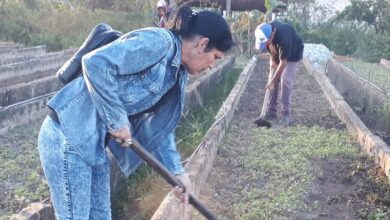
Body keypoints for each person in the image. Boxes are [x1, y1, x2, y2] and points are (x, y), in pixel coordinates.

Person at [38, 6, 233, 219]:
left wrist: (177, 172)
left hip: (93, 144)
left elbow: (160, 129)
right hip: (68, 134)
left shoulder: (177, 73)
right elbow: (96, 63)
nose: (212, 65)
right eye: (215, 57)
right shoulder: (159, 42)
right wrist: (117, 119)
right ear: (202, 44)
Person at [254, 20, 304, 126]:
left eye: (267, 42)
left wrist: (274, 80)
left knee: (285, 80)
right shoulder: (265, 31)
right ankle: (271, 111)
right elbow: (271, 51)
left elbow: (283, 62)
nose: (266, 44)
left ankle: (286, 114)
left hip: (293, 53)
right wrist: (272, 63)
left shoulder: (284, 36)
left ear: (272, 35)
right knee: (272, 78)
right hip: (278, 52)